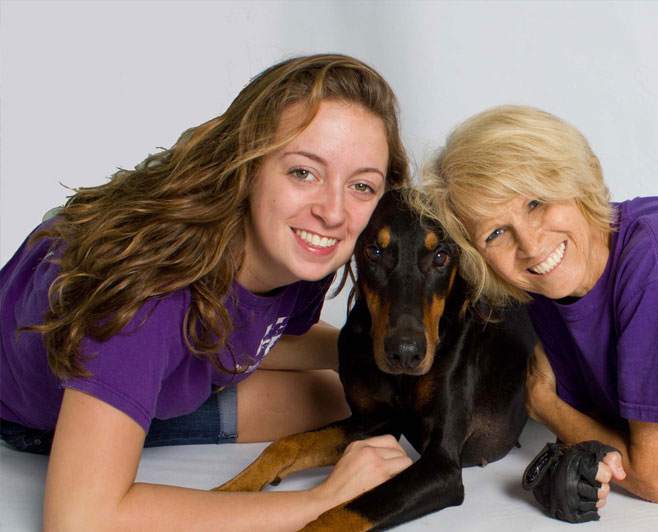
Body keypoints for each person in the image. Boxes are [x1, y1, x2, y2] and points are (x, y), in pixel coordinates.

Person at [0, 53, 414, 530]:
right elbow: (78, 520)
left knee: (357, 397)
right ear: (248, 164)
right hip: (33, 415)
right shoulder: (145, 298)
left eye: (362, 185)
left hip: (160, 355)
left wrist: (365, 352)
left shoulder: (301, 248)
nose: (334, 212)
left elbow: (264, 331)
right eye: (303, 172)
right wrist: (322, 500)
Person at [415, 104, 658, 505]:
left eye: (536, 202)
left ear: (576, 178)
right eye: (496, 233)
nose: (530, 244)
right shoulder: (550, 287)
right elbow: (604, 437)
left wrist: (544, 406)